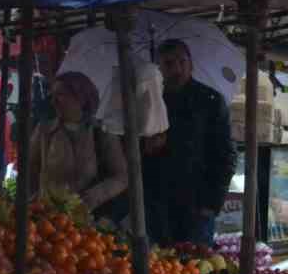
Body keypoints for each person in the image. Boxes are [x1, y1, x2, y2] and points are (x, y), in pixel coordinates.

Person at [141, 39, 236, 247]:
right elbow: (132, 154)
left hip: (197, 204)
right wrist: (146, 149)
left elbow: (226, 155)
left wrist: (211, 203)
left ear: (191, 64)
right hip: (157, 204)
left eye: (182, 62)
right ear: (159, 68)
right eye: (168, 63)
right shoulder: (148, 102)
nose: (176, 69)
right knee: (159, 268)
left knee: (194, 269)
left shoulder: (210, 101)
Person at [24, 71, 127, 215]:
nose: (54, 101)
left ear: (81, 98)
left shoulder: (101, 133)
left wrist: (94, 196)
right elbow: (29, 169)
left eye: (61, 94)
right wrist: (32, 199)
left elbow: (121, 177)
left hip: (87, 223)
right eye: (52, 95)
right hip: (46, 218)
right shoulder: (44, 131)